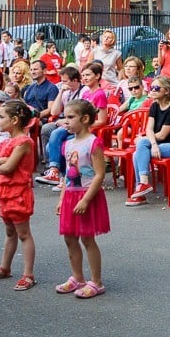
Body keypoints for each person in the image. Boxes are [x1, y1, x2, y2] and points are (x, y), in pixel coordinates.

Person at [54, 100, 110, 298]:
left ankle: (96, 281)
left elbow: (99, 175)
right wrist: (62, 198)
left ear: (85, 119)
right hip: (70, 195)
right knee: (69, 238)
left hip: (87, 195)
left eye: (70, 117)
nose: (66, 122)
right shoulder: (68, 144)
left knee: (87, 238)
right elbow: (66, 176)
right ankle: (77, 277)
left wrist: (86, 200)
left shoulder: (93, 142)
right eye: (65, 117)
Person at [0, 100, 37, 290]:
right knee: (9, 231)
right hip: (6, 192)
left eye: (2, 117)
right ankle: (5, 267)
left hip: (19, 192)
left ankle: (28, 274)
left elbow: (6, 168)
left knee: (23, 233)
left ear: (14, 120)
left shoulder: (23, 141)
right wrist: (1, 161)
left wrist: (1, 161)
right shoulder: (6, 142)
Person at [126, 76, 170, 207]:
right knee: (137, 152)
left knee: (141, 144)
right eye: (151, 88)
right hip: (158, 144)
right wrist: (152, 144)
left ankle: (141, 189)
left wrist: (151, 142)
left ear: (166, 91)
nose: (152, 90)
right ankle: (142, 185)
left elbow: (162, 135)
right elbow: (149, 129)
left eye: (156, 88)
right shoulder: (155, 105)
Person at [35, 66, 84, 184]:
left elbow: (80, 113)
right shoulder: (66, 93)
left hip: (75, 124)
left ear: (75, 80)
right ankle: (51, 168)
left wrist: (66, 120)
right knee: (47, 128)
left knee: (55, 134)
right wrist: (61, 91)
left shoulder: (83, 91)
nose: (62, 83)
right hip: (64, 122)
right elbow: (54, 112)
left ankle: (55, 170)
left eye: (65, 81)